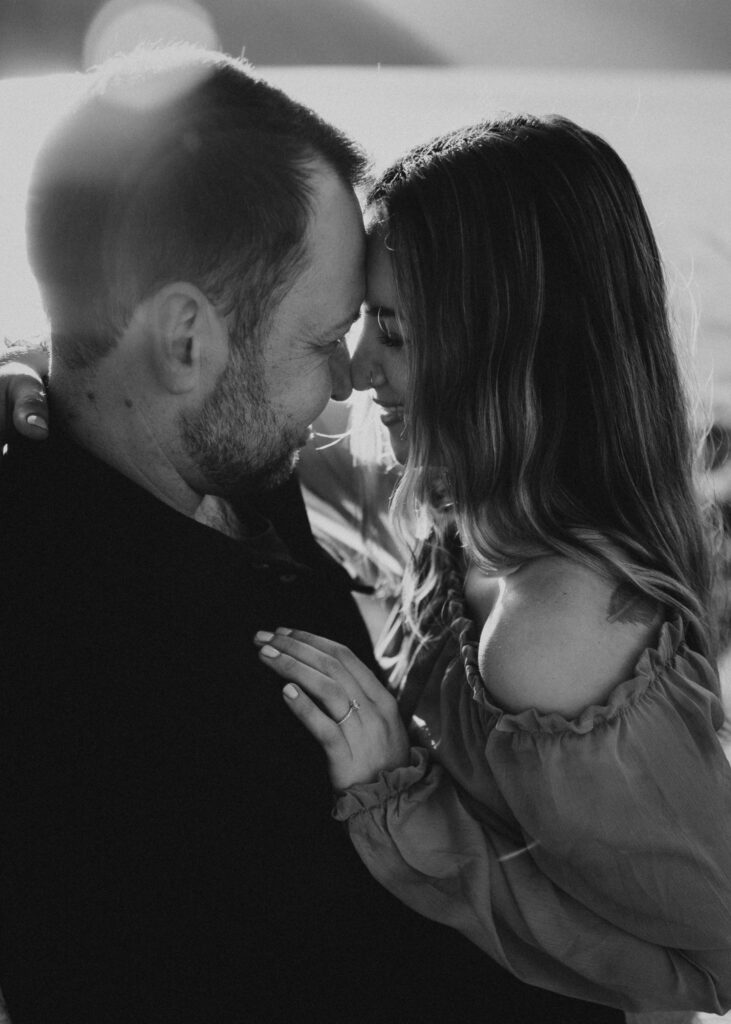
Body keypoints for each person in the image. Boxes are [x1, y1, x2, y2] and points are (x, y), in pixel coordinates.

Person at [0, 49, 631, 1024]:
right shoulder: (90, 677)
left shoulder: (209, 455)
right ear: (184, 341)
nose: (347, 384)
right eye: (320, 339)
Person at [247, 116, 731, 1015]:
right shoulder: (464, 511)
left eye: (390, 329)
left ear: (511, 343)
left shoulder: (555, 633)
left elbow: (707, 959)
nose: (356, 370)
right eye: (361, 321)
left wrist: (401, 803)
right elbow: (223, 426)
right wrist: (35, 375)